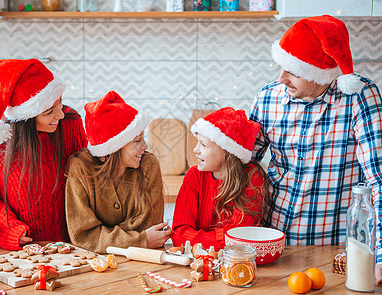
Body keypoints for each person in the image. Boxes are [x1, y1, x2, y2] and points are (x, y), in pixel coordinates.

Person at [249, 15, 382, 282]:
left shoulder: (360, 97)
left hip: (334, 252)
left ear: (320, 73)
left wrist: (380, 255)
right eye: (281, 66)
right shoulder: (268, 97)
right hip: (272, 246)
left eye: (293, 70)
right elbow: (240, 164)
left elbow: (378, 181)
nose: (281, 78)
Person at [0, 59, 87, 250]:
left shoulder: (69, 125)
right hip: (21, 251)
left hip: (73, 248)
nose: (60, 114)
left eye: (60, 102)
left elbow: (85, 180)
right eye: (49, 111)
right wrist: (10, 229)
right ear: (24, 119)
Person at [65, 90, 170, 253]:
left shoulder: (149, 165)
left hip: (141, 261)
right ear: (114, 147)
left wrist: (103, 235)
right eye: (137, 140)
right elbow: (83, 237)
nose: (145, 147)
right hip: (95, 266)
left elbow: (150, 227)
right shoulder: (80, 168)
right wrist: (140, 239)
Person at [171, 107, 267, 250]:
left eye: (203, 144)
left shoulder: (252, 177)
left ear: (227, 151)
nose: (195, 150)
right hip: (198, 263)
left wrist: (195, 240)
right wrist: (221, 238)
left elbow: (239, 238)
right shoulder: (194, 175)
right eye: (197, 142)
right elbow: (178, 235)